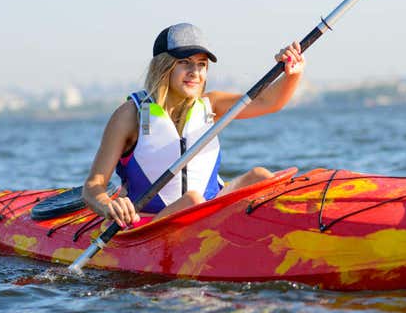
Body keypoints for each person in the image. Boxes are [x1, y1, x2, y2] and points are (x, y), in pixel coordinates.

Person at [82, 22, 304, 228]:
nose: (195, 73)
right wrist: (108, 205)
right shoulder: (130, 115)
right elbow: (93, 187)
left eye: (201, 64)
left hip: (209, 211)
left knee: (260, 176)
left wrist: (292, 72)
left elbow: (269, 102)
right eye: (184, 63)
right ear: (163, 66)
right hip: (152, 225)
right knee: (192, 200)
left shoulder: (212, 105)